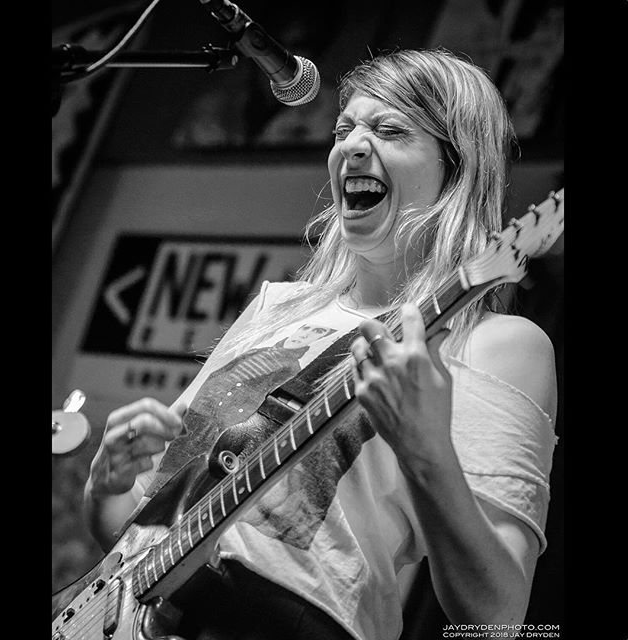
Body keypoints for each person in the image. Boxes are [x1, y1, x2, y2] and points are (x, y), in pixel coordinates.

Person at [83, 48, 558, 640]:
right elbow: (138, 545)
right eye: (344, 129)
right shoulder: (278, 307)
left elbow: (496, 619)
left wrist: (424, 448)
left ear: (456, 169)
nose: (353, 146)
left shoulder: (496, 343)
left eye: (390, 130)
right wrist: (107, 488)